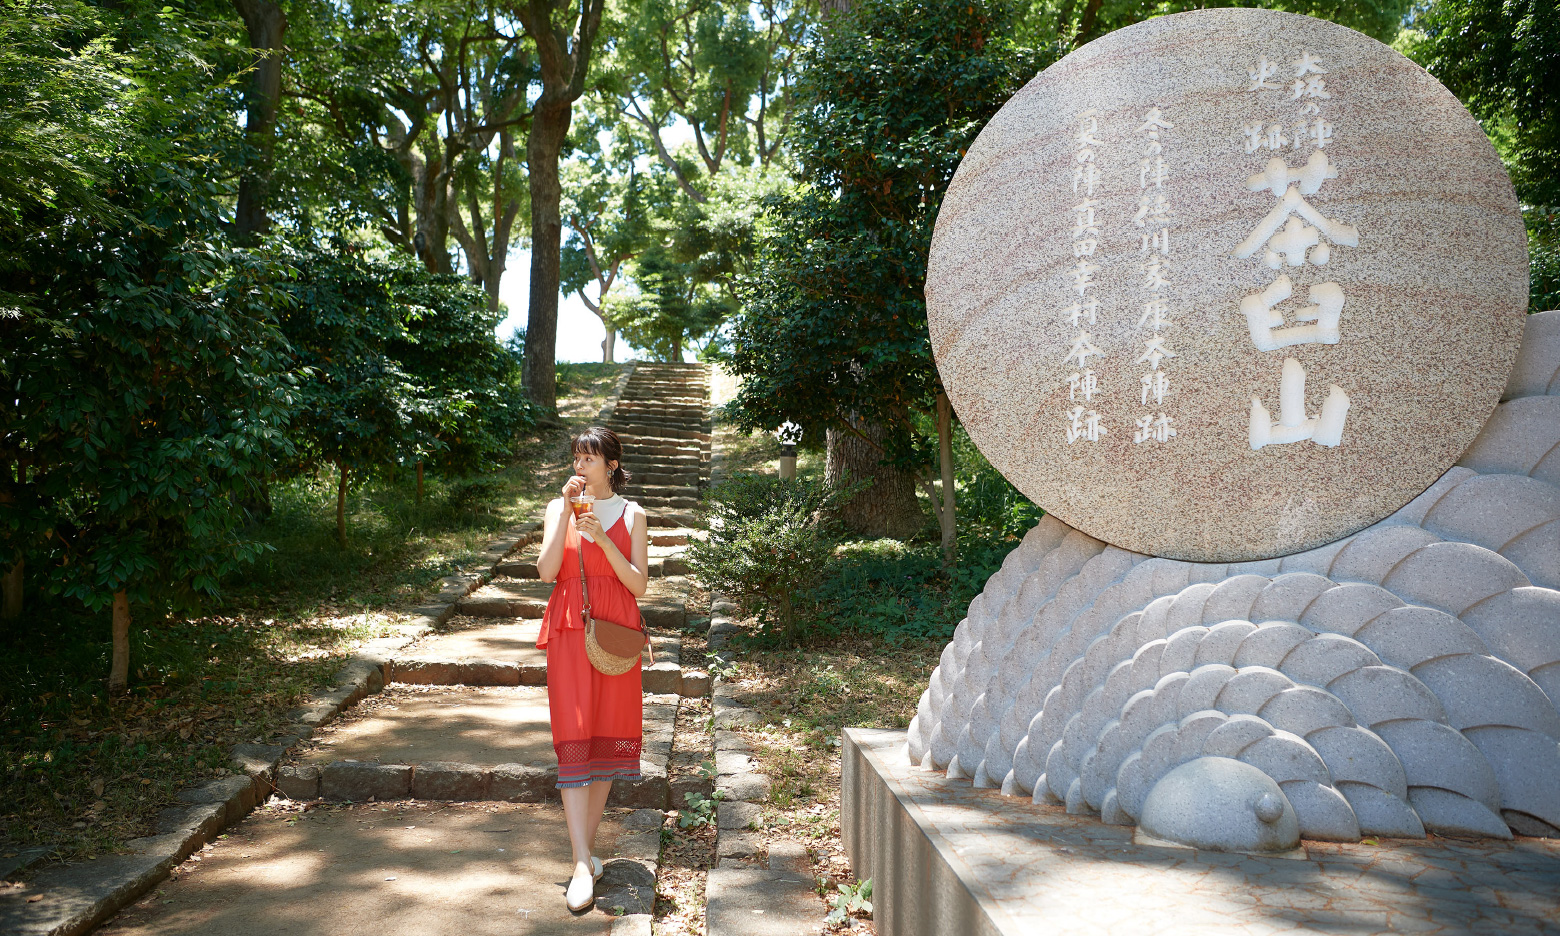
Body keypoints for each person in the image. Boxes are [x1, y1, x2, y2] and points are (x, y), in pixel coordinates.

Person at [534, 426, 650, 912]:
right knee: (574, 733)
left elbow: (639, 585)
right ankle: (582, 861)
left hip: (615, 628)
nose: (580, 467)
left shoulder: (633, 514)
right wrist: (564, 513)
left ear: (611, 466)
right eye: (577, 458)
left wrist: (603, 540)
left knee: (606, 735)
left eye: (589, 459)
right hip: (567, 624)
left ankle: (584, 855)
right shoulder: (558, 508)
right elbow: (545, 571)